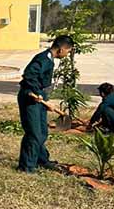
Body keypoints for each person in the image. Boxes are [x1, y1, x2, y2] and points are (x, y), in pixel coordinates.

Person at [17, 35, 73, 173]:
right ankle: (26, 167)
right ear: (61, 49)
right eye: (68, 51)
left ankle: (42, 159)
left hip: (40, 97)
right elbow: (29, 75)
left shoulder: (49, 59)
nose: (67, 54)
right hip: (31, 97)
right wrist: (37, 93)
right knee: (34, 133)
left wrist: (43, 97)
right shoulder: (43, 59)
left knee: (42, 132)